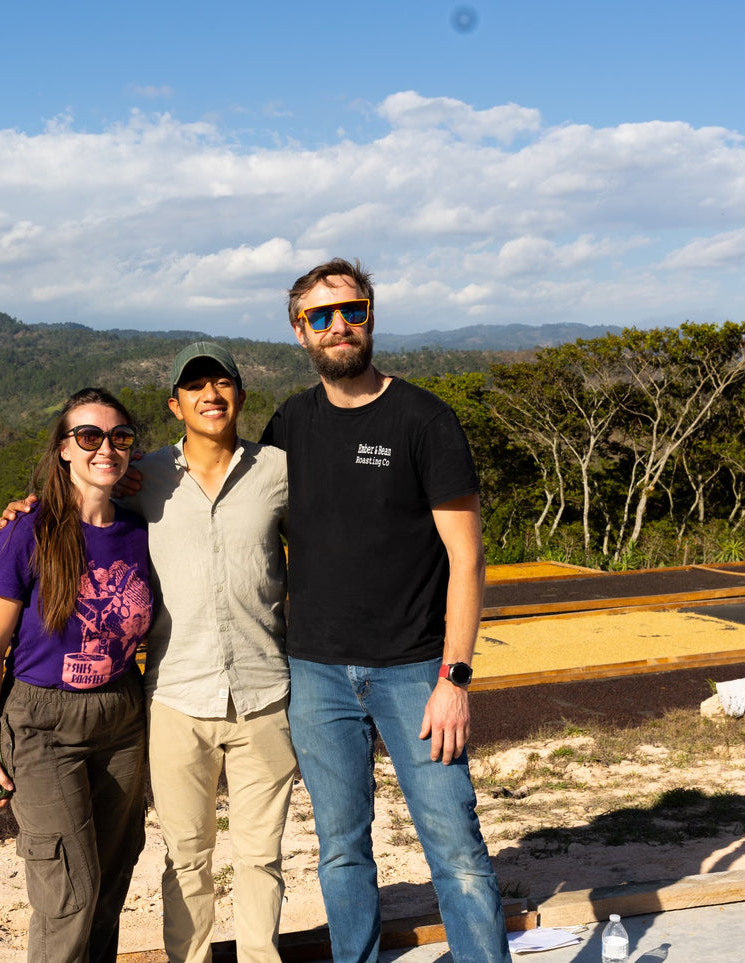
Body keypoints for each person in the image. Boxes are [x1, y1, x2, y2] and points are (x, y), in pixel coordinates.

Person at [0, 344, 294, 963]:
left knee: (262, 855)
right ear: (175, 404)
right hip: (174, 699)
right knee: (186, 856)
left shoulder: (278, 471)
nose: (210, 396)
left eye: (222, 384)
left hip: (265, 693)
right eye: (195, 387)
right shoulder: (145, 478)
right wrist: (24, 508)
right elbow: (78, 506)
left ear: (241, 394)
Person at [259, 258, 509, 963]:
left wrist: (453, 677)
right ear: (298, 331)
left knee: (454, 846)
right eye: (321, 315)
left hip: (416, 671)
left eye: (352, 310)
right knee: (340, 849)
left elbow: (467, 559)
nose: (339, 326)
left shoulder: (423, 419)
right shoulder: (289, 424)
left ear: (370, 316)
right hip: (315, 672)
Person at [0, 387, 151, 963]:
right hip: (44, 722)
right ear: (63, 450)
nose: (106, 448)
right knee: (68, 893)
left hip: (122, 715)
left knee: (110, 878)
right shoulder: (24, 533)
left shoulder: (141, 530)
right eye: (89, 436)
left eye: (119, 437)